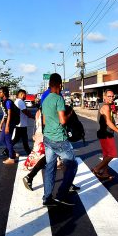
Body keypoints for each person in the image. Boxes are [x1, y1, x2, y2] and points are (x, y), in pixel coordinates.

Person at [41, 73, 78, 207]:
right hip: (59, 139)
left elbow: (44, 121)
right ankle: (61, 195)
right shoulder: (58, 99)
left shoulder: (45, 100)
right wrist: (69, 114)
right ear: (59, 84)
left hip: (48, 138)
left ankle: (47, 198)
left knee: (50, 168)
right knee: (73, 164)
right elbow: (63, 121)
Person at [92, 89, 118, 181]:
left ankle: (105, 172)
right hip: (106, 133)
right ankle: (97, 168)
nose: (111, 98)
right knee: (111, 154)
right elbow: (108, 122)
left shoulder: (106, 105)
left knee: (106, 154)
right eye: (109, 96)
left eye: (112, 96)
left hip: (104, 132)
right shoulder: (106, 107)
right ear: (104, 97)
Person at [0, 86, 19, 165]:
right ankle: (12, 153)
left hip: (10, 123)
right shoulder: (3, 102)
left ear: (4, 93)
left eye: (0, 92)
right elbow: (5, 114)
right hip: (7, 122)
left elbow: (9, 114)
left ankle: (11, 158)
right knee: (2, 139)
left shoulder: (8, 102)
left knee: (7, 140)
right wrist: (1, 123)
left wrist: (7, 126)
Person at [13, 89, 32, 156]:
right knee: (24, 140)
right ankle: (29, 153)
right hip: (21, 124)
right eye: (24, 95)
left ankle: (7, 149)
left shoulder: (17, 101)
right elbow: (25, 111)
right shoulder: (20, 101)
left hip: (20, 124)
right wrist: (32, 116)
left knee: (17, 139)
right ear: (21, 94)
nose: (25, 96)